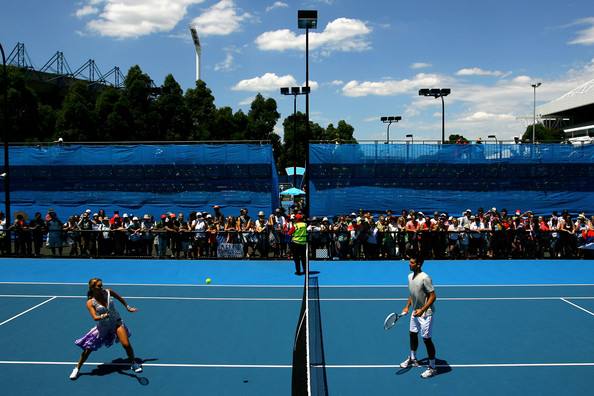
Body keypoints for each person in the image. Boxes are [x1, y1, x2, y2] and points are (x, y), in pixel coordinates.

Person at [69, 278, 142, 380]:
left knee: (126, 345)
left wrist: (127, 307)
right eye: (99, 286)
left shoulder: (108, 292)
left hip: (117, 322)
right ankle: (76, 369)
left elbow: (119, 298)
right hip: (103, 327)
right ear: (92, 288)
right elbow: (95, 317)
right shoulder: (90, 302)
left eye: (101, 285)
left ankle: (133, 363)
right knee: (88, 349)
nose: (101, 287)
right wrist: (103, 316)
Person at [399, 255, 438, 379]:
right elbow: (412, 294)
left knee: (426, 339)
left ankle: (432, 367)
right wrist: (407, 307)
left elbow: (433, 296)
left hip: (426, 314)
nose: (409, 264)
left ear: (419, 264)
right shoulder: (410, 277)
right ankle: (413, 358)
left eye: (412, 262)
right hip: (416, 312)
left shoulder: (425, 278)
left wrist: (422, 309)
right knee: (412, 334)